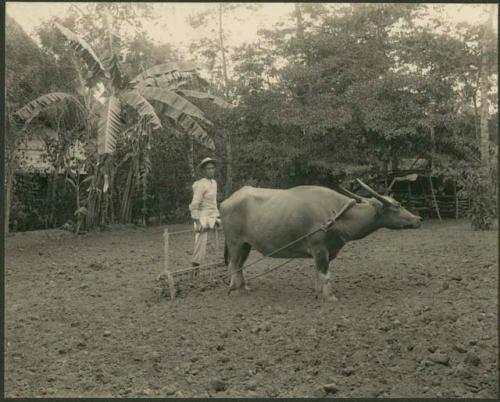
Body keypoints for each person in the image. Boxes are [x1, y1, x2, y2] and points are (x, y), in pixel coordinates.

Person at [189, 157, 221, 267]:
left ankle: (227, 261)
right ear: (204, 171)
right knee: (200, 239)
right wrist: (197, 221)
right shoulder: (200, 184)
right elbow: (195, 205)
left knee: (231, 229)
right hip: (203, 216)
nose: (211, 170)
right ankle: (196, 265)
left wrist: (217, 216)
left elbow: (213, 202)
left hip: (214, 215)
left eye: (213, 168)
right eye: (208, 169)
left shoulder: (214, 183)